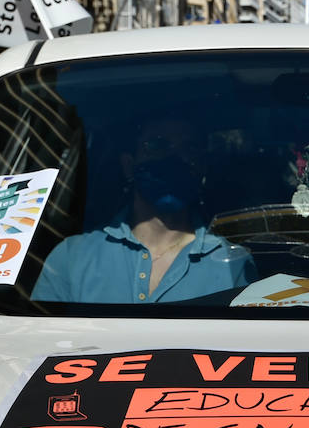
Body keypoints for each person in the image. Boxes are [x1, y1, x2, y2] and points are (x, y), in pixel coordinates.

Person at [32, 115, 256, 303]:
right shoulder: (73, 256)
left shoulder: (232, 263)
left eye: (189, 148)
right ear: (129, 165)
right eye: (157, 145)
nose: (174, 159)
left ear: (202, 166)